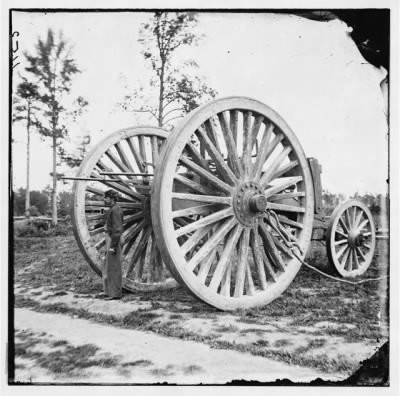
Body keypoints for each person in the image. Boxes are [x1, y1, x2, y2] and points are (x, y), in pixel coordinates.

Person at [102, 189, 124, 300]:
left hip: (113, 239)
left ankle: (115, 294)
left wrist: (113, 246)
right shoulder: (113, 209)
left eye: (106, 197)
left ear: (111, 198)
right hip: (110, 238)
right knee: (108, 266)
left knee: (114, 267)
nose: (104, 199)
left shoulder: (116, 210)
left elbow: (117, 229)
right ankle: (109, 291)